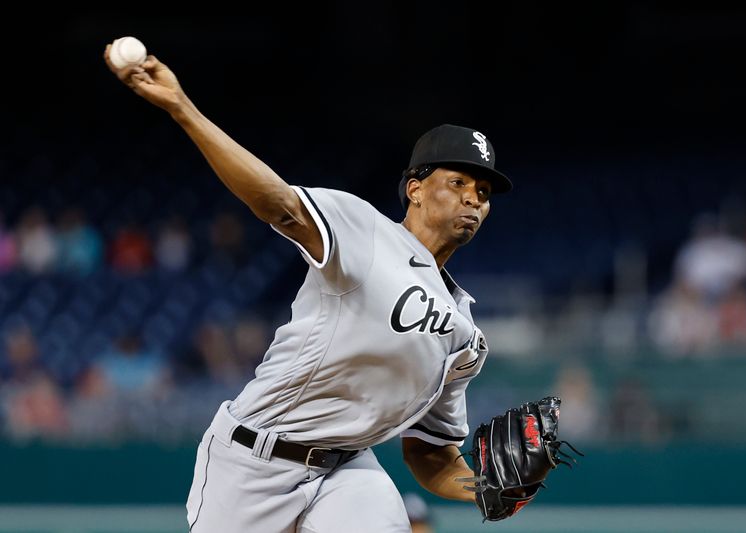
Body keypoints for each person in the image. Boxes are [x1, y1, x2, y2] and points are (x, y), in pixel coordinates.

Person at [105, 45, 513, 533]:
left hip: (347, 469)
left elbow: (430, 454)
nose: (473, 197)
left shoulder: (464, 331)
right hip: (253, 458)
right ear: (415, 188)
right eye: (459, 180)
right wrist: (182, 108)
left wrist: (486, 489)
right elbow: (279, 204)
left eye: (484, 192)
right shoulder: (363, 230)